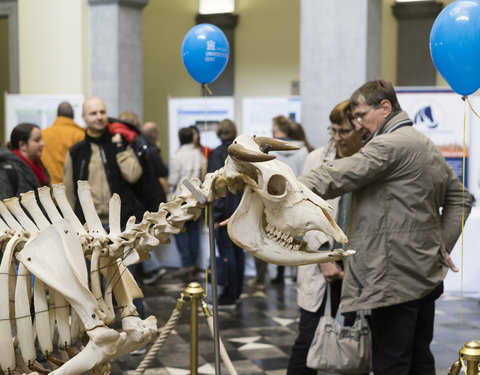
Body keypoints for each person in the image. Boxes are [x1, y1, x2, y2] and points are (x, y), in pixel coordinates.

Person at [299, 79, 472, 375]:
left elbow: (336, 176)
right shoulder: (422, 142)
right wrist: (440, 246)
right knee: (419, 359)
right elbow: (461, 198)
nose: (357, 125)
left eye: (360, 115)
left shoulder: (389, 144)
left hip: (395, 279)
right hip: (421, 275)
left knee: (392, 362)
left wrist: (282, 186)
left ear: (385, 107)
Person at [287, 100, 365, 374]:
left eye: (343, 131)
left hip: (358, 266)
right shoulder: (316, 158)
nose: (336, 137)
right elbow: (301, 211)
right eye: (332, 130)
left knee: (356, 339)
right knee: (309, 338)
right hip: (321, 261)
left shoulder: (371, 160)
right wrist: (323, 259)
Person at [117, 111, 167, 285]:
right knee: (137, 237)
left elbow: (137, 174)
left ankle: (153, 267)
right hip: (143, 198)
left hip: (139, 199)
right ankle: (150, 268)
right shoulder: (142, 144)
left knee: (136, 238)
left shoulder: (135, 144)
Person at [207, 119, 244, 308]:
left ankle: (229, 295)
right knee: (238, 252)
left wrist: (215, 215)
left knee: (228, 252)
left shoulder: (217, 154)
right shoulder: (241, 154)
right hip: (241, 210)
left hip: (225, 213)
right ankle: (236, 292)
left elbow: (215, 187)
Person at [271, 115, 309, 285]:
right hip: (298, 198)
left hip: (278, 200)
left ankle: (280, 272)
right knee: (298, 236)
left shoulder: (271, 151)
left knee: (279, 236)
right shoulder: (303, 151)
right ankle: (297, 272)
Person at [168, 127, 206, 279]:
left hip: (180, 198)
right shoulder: (199, 154)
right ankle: (193, 265)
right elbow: (203, 175)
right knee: (194, 231)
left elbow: (172, 180)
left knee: (179, 232)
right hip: (196, 197)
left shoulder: (176, 156)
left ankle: (186, 264)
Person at [0, 123, 50, 200]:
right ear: (22, 145)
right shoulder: (8, 170)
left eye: (41, 139)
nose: (42, 143)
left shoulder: (39, 165)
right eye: (37, 140)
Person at [41, 101, 85, 185]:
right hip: (68, 189)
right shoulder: (80, 135)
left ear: (57, 115)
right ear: (73, 115)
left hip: (47, 190)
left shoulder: (43, 134)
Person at [141, 121, 169, 198]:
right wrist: (157, 150)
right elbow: (162, 171)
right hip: (152, 192)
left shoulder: (138, 144)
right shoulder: (152, 149)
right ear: (153, 135)